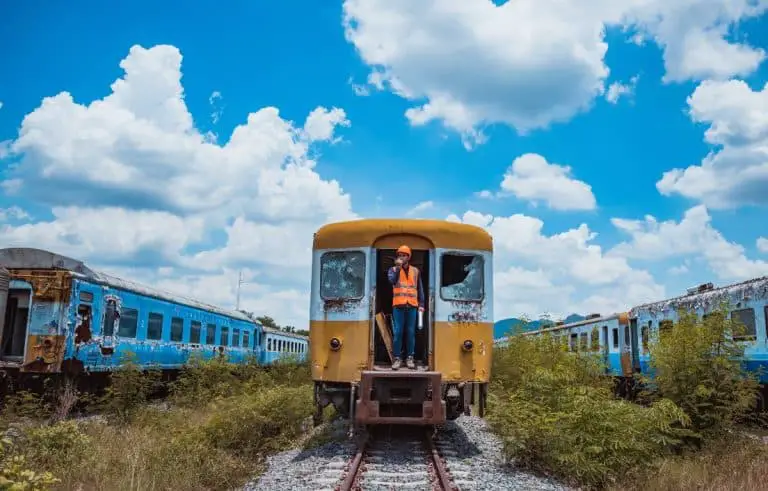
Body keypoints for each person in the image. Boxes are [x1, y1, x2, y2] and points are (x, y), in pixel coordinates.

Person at [388, 245, 424, 370]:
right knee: (398, 333)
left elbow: (419, 288)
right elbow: (392, 281)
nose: (401, 257)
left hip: (412, 305)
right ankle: (397, 358)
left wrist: (422, 304)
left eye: (403, 255)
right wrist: (398, 268)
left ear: (408, 257)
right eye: (399, 255)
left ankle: (410, 357)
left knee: (410, 333)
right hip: (398, 306)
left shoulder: (416, 271)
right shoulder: (392, 270)